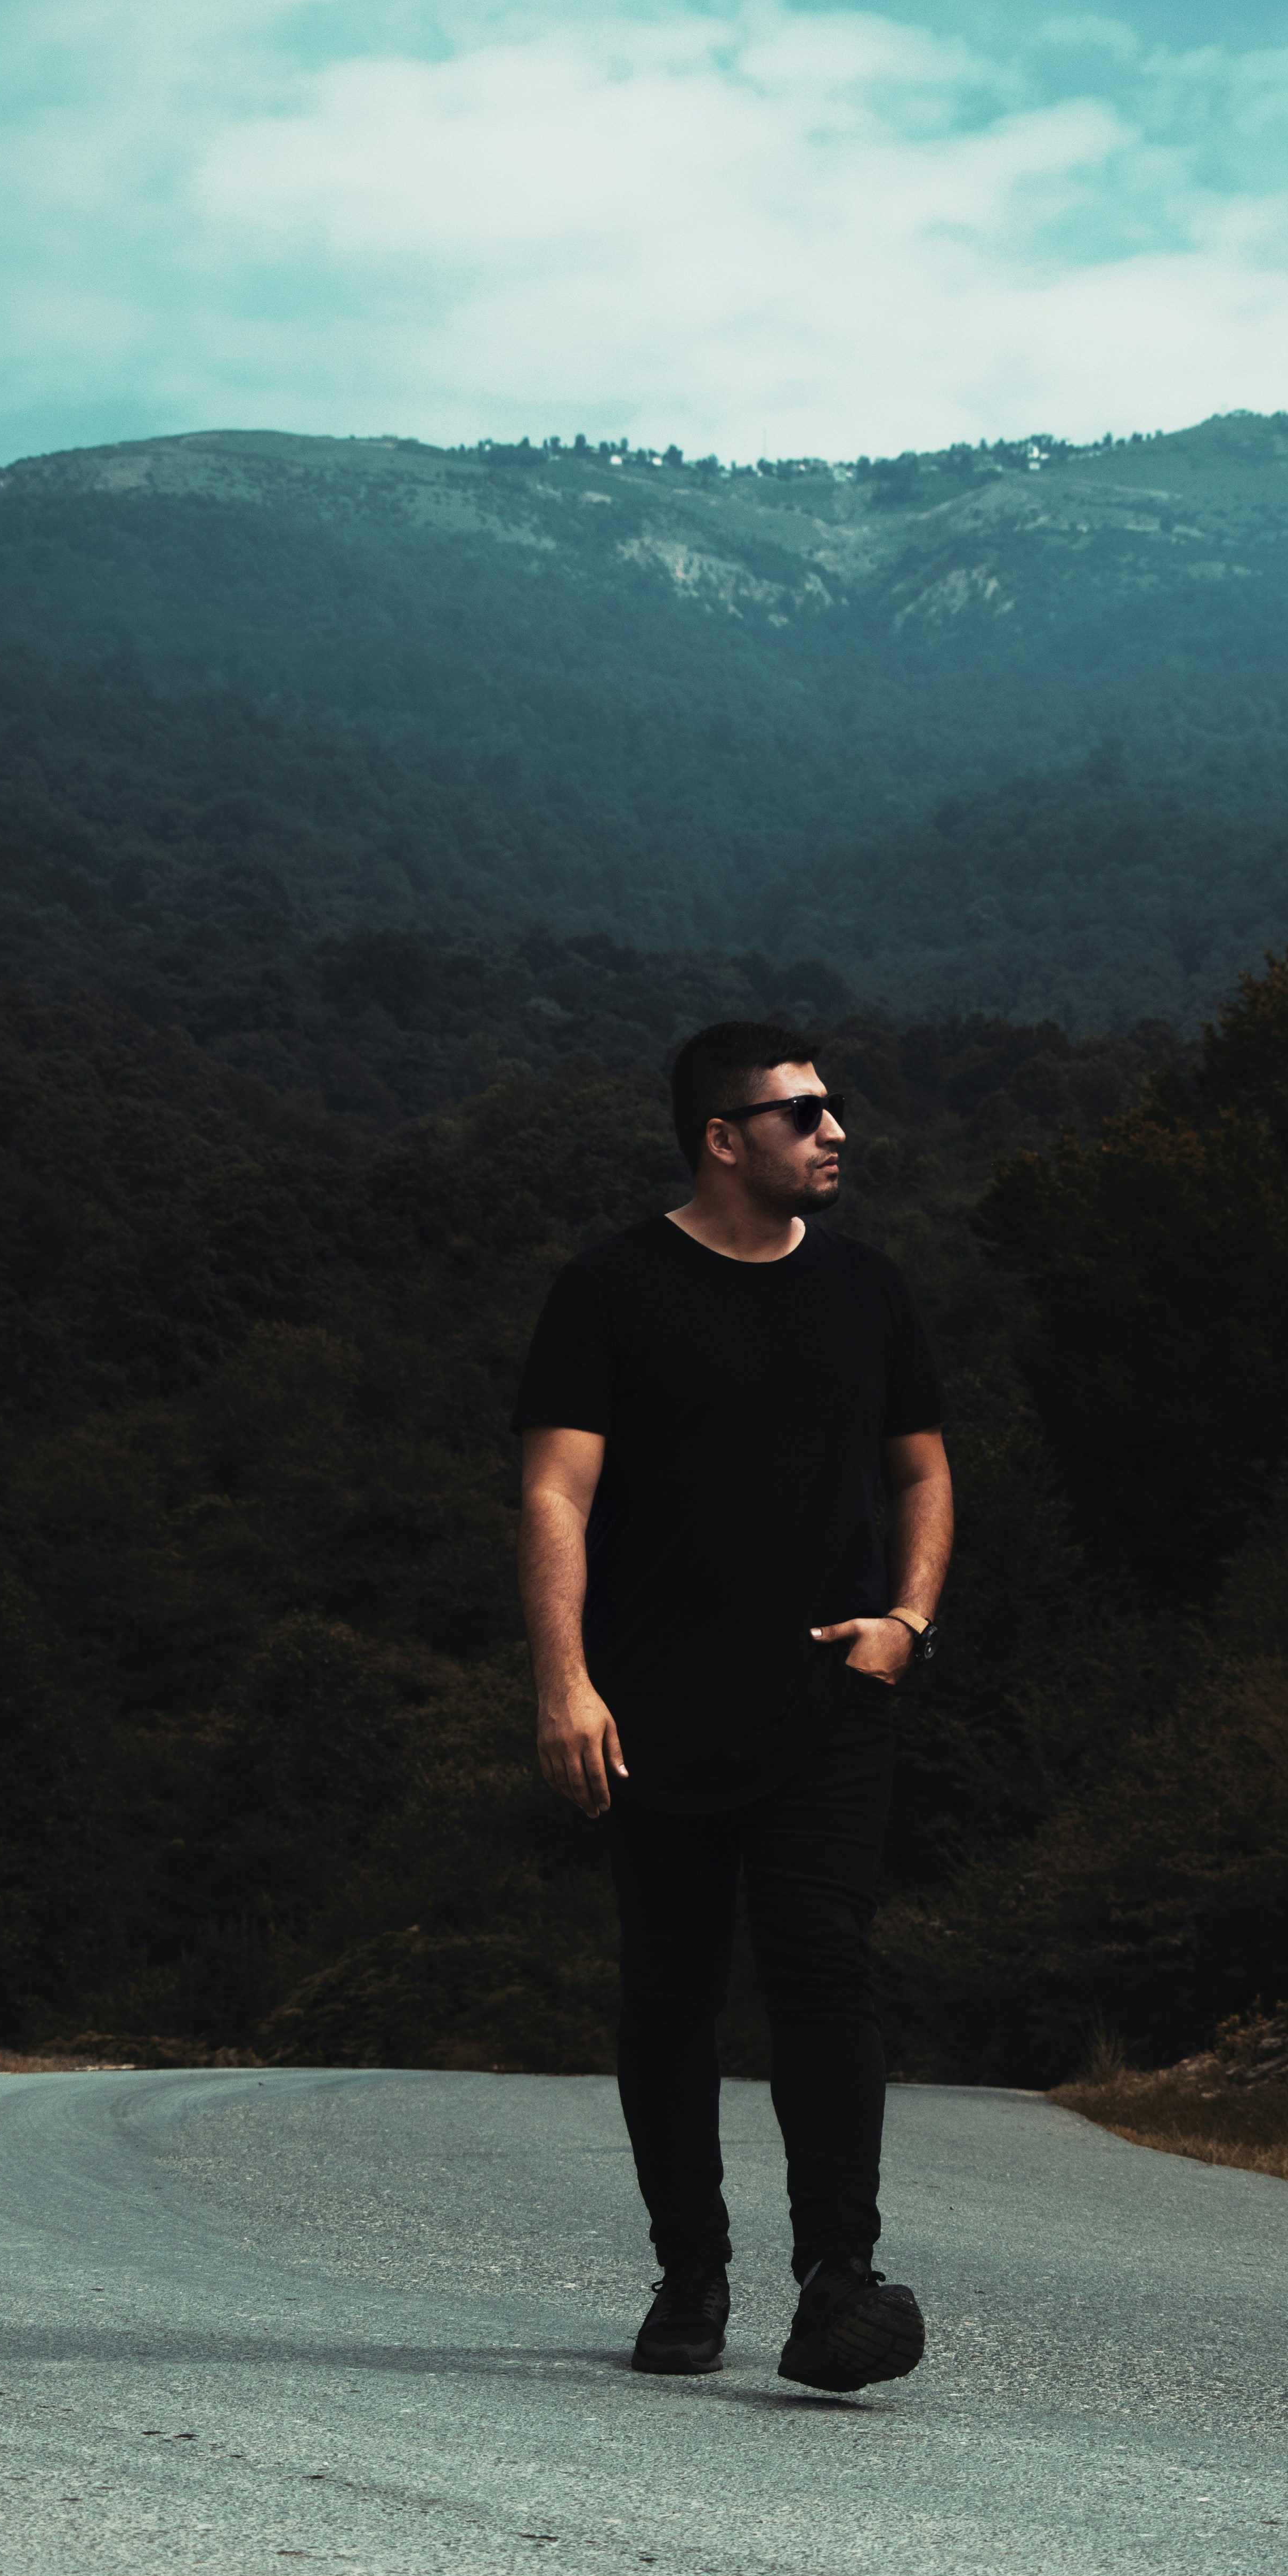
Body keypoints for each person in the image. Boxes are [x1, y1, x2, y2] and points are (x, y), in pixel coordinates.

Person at [511, 1023, 953, 2394]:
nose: (835, 1132)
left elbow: (924, 1478)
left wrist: (910, 1622)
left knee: (823, 1966)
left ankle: (838, 2282)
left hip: (829, 1698)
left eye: (832, 1109)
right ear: (723, 1138)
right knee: (672, 1990)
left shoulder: (869, 1290)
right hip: (656, 1705)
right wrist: (564, 1682)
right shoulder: (609, 1293)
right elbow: (554, 1497)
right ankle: (690, 2270)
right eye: (802, 1112)